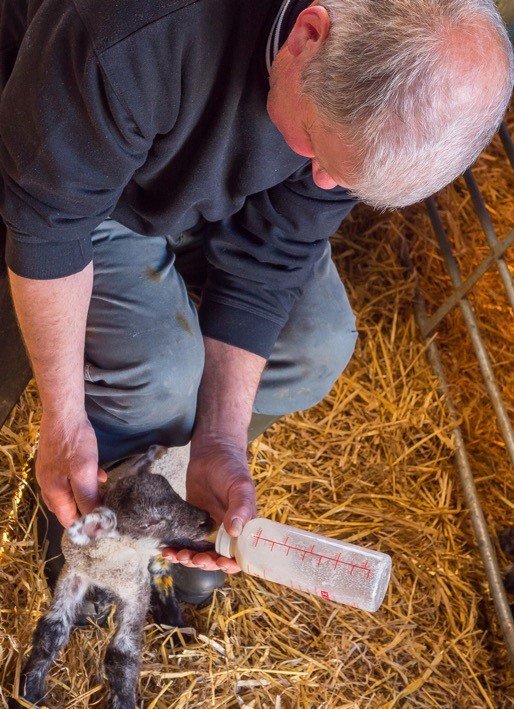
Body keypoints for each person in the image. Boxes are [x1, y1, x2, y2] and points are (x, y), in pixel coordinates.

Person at [0, 0, 512, 612]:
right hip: (92, 187)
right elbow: (49, 221)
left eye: (343, 179)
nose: (321, 183)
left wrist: (221, 437)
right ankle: (91, 510)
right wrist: (62, 421)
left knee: (318, 345)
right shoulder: (138, 30)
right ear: (308, 34)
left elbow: (279, 247)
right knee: (160, 369)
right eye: (320, 150)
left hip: (212, 187)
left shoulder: (354, 82)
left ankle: (168, 488)